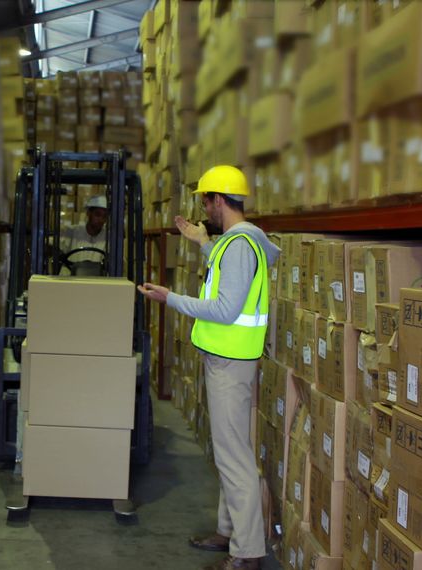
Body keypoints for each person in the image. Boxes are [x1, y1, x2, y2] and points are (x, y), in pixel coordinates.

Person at [137, 165, 280, 570]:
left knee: (234, 457)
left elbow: (223, 307)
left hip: (231, 363)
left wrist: (171, 298)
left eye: (205, 200)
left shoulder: (239, 245)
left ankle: (247, 553)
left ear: (219, 200)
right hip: (229, 359)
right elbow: (227, 284)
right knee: (228, 451)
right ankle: (228, 531)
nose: (202, 207)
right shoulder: (236, 242)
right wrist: (202, 243)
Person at [58, 195, 109, 275]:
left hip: (98, 282)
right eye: (97, 215)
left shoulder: (109, 237)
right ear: (88, 213)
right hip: (70, 280)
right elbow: (55, 246)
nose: (101, 220)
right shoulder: (71, 232)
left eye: (104, 216)